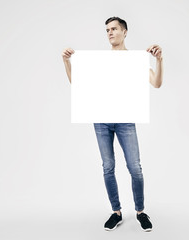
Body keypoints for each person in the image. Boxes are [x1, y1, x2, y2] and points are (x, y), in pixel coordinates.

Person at [61, 16, 163, 232]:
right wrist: (66, 62)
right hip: (102, 121)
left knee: (135, 167)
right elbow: (77, 84)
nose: (110, 32)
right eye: (107, 29)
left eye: (114, 28)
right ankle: (116, 212)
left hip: (126, 120)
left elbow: (156, 83)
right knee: (108, 167)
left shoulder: (135, 60)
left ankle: (140, 212)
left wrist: (159, 60)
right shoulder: (99, 62)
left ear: (125, 32)